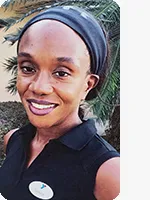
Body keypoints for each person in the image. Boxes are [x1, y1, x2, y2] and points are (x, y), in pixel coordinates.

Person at [0, 6, 120, 200]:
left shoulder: (108, 173)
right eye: (28, 68)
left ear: (87, 85)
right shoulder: (13, 140)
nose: (40, 87)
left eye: (62, 73)